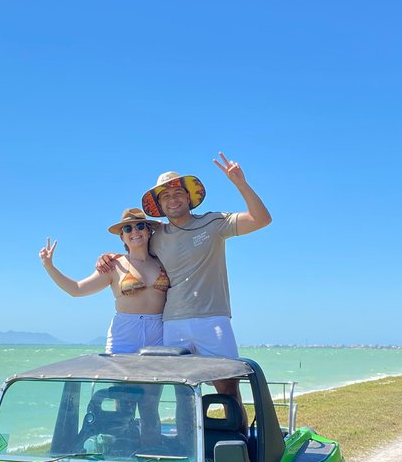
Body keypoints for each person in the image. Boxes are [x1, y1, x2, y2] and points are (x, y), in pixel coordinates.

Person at [98, 153, 272, 398]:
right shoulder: (156, 237)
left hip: (213, 319)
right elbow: (135, 252)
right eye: (165, 196)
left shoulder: (214, 222)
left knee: (227, 388)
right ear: (159, 205)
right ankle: (190, 437)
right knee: (183, 393)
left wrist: (239, 183)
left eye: (178, 193)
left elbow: (261, 219)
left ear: (189, 197)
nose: (172, 199)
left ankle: (237, 434)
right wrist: (107, 257)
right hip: (172, 324)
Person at [39, 208, 169, 354]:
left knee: (156, 376)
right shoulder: (114, 265)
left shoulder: (162, 262)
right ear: (122, 237)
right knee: (121, 377)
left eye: (140, 226)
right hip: (124, 337)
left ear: (148, 231)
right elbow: (76, 289)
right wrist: (49, 266)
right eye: (127, 228)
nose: (134, 232)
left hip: (159, 334)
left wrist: (162, 226)